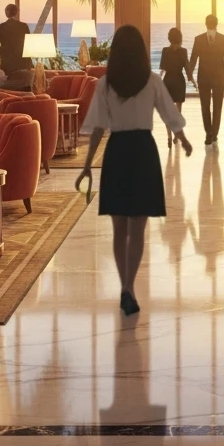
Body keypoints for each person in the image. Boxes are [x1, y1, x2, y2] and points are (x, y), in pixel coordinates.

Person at [76, 25, 192, 315]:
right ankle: (129, 286)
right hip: (143, 152)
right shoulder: (151, 80)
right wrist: (184, 140)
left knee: (119, 228)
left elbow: (98, 128)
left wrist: (88, 165)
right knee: (138, 227)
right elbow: (170, 114)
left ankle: (124, 287)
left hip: (118, 152)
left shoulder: (106, 84)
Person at [189, 14, 224, 145]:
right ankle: (209, 133)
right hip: (204, 79)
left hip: (218, 79)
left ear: (209, 24)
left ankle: (213, 133)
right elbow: (193, 58)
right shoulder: (198, 39)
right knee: (207, 107)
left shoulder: (223, 39)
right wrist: (189, 75)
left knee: (215, 107)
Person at [159, 27, 193, 148]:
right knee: (178, 112)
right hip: (179, 81)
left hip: (168, 81)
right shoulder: (183, 51)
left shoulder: (165, 51)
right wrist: (193, 81)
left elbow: (162, 69)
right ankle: (176, 136)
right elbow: (187, 68)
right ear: (180, 38)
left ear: (169, 38)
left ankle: (169, 136)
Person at [0, 4, 32, 76]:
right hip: (23, 62)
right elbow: (29, 44)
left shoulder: (1, 27)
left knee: (9, 84)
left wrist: (3, 52)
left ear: (6, 13)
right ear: (17, 12)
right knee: (24, 83)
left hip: (8, 64)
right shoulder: (24, 26)